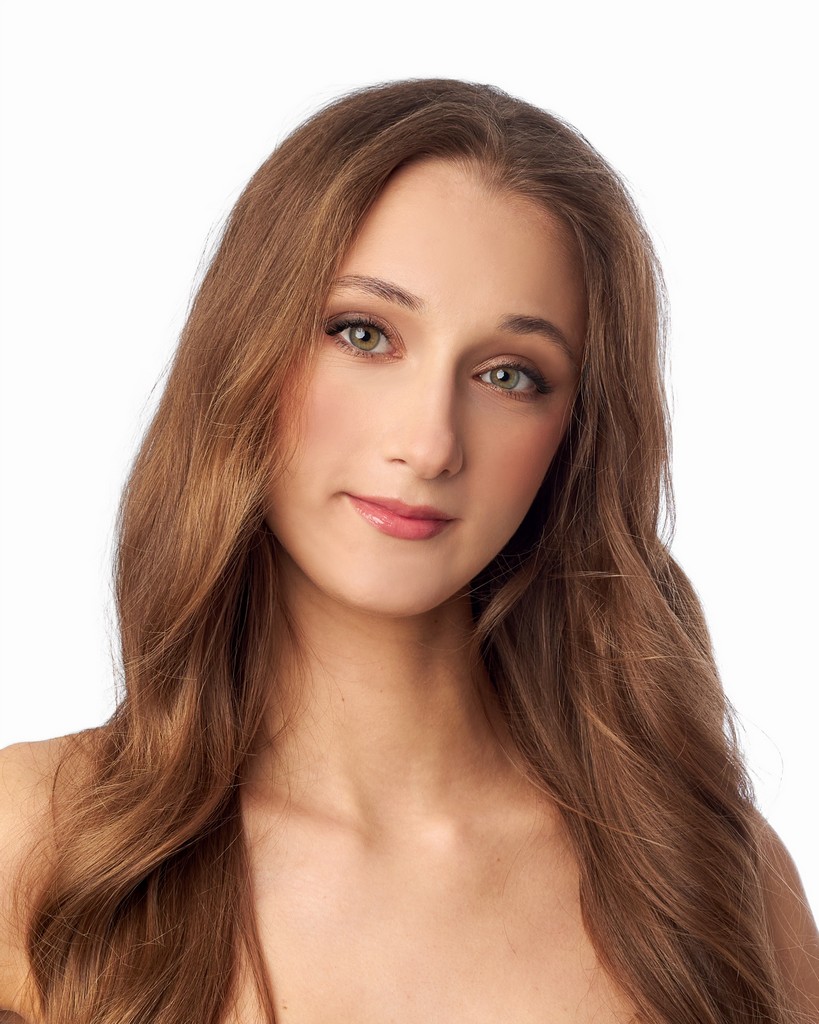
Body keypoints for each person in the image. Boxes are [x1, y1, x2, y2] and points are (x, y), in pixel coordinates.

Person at [0, 78, 817, 1024]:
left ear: (575, 437)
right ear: (246, 347)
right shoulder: (40, 844)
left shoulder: (705, 881)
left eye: (510, 375)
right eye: (364, 334)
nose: (429, 445)